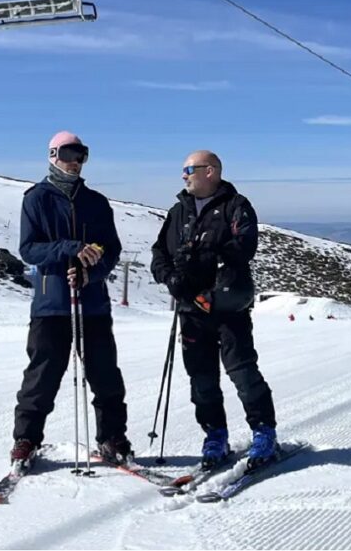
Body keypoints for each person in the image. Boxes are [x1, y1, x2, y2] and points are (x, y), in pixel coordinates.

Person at [150, 150, 278, 471]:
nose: (184, 175)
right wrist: (171, 279)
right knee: (201, 378)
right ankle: (215, 435)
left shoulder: (237, 207)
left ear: (211, 171)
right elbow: (159, 253)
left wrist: (202, 261)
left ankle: (263, 431)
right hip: (191, 310)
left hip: (227, 305)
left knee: (243, 371)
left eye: (189, 169)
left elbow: (242, 248)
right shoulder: (178, 211)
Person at [10, 131, 131, 466]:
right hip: (52, 303)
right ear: (53, 154)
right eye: (69, 153)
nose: (75, 161)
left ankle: (112, 437)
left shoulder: (97, 202)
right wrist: (70, 248)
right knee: (42, 376)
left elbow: (112, 249)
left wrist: (92, 271)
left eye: (81, 154)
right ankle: (26, 440)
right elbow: (28, 249)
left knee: (105, 375)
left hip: (92, 303)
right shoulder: (36, 199)